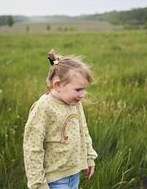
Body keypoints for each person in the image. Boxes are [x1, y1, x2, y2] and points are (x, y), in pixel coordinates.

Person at [23, 49, 98, 189]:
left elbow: (83, 131)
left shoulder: (75, 103)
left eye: (84, 89)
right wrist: (38, 183)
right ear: (58, 85)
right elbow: (32, 147)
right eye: (78, 89)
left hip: (74, 173)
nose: (83, 94)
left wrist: (89, 157)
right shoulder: (44, 107)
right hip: (54, 179)